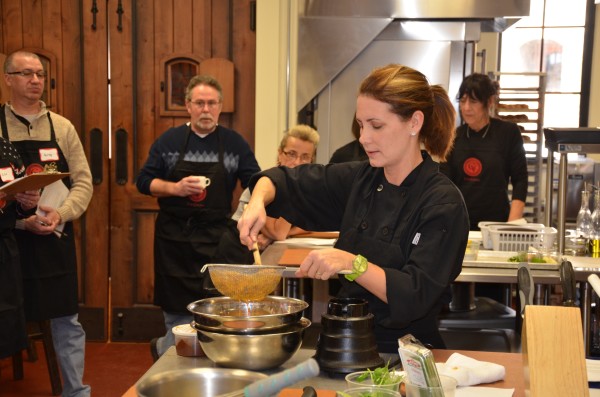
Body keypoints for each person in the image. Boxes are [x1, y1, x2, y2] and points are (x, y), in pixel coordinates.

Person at [238, 64, 470, 352]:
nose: (363, 137)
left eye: (376, 125)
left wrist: (351, 263)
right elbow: (288, 182)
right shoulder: (361, 180)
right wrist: (258, 201)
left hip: (407, 354)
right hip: (345, 345)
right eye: (361, 125)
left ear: (414, 122)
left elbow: (415, 293)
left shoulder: (442, 202)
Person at [136, 75, 260, 360]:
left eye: (212, 103)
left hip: (215, 239)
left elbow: (255, 182)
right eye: (200, 103)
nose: (206, 109)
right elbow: (143, 182)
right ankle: (171, 365)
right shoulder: (168, 141)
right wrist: (174, 188)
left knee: (215, 310)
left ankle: (196, 366)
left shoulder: (234, 143)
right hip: (173, 240)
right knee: (176, 313)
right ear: (188, 106)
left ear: (220, 106)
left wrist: (249, 218)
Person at [2, 50, 93, 396]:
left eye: (39, 74)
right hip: (9, 243)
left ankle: (76, 392)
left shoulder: (62, 127)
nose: (35, 80)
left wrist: (61, 214)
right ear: (8, 79)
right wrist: (20, 220)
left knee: (66, 320)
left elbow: (84, 182)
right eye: (25, 73)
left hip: (55, 240)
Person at [440, 73, 528, 230]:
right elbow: (444, 184)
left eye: (473, 101)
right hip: (460, 223)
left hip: (497, 224)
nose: (466, 108)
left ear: (490, 102)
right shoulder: (454, 136)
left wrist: (511, 226)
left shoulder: (508, 133)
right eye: (463, 100)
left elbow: (520, 180)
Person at [0, 137, 39, 360]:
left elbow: (18, 212)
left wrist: (27, 203)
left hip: (4, 251)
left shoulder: (5, 147)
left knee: (5, 328)